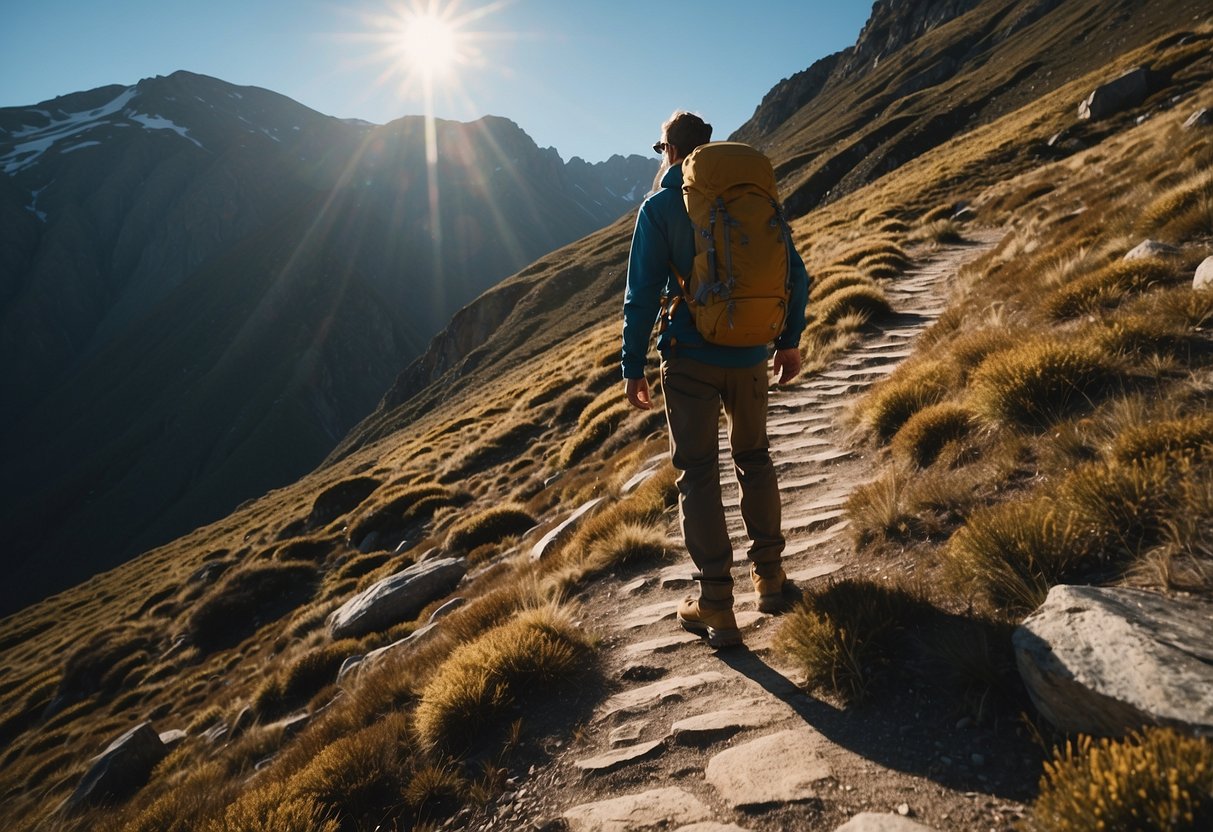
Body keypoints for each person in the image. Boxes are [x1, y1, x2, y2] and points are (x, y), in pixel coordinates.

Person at [621, 110, 810, 648]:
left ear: (668, 151)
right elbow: (795, 273)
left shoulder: (660, 207)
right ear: (708, 145)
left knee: (698, 474)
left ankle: (717, 604)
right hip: (750, 353)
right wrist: (788, 340)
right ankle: (771, 580)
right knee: (755, 458)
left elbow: (640, 294)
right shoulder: (751, 194)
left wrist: (632, 366)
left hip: (689, 358)